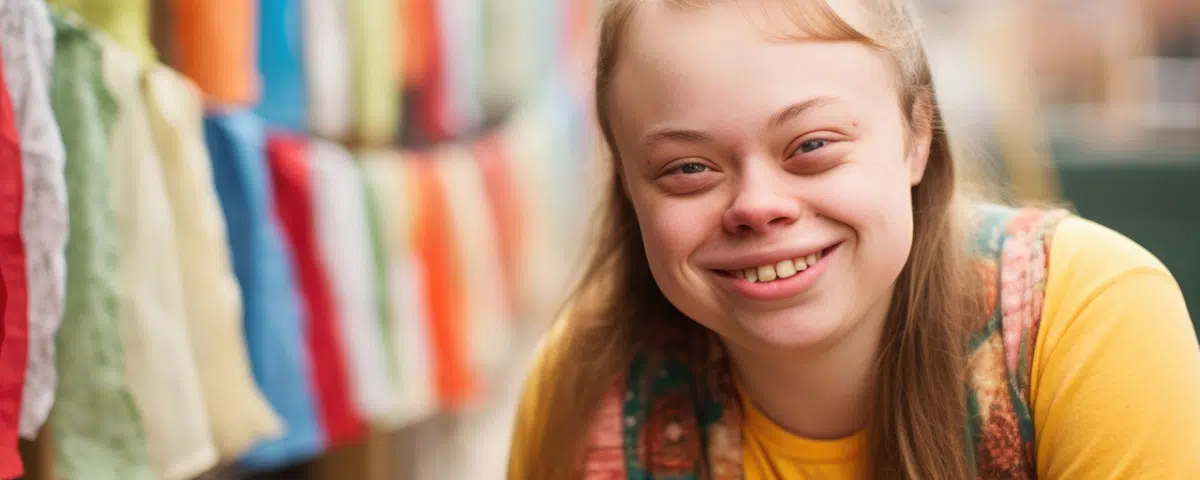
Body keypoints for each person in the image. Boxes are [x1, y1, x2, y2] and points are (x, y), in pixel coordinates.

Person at [506, 0, 1200, 478]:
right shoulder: (584, 388)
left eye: (811, 145)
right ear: (628, 186)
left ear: (916, 137)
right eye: (688, 168)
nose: (757, 206)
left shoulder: (1088, 319)